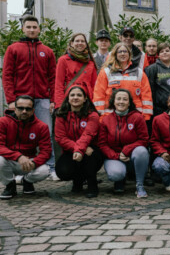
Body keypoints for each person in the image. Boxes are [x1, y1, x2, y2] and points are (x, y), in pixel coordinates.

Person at [2, 15, 57, 180]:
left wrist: (53, 99)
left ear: (39, 29)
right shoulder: (13, 49)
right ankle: (18, 169)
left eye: (35, 27)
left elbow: (53, 78)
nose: (32, 30)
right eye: (29, 27)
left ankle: (51, 167)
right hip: (21, 100)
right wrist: (11, 100)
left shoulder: (47, 51)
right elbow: (7, 75)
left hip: (42, 99)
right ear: (23, 29)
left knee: (47, 132)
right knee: (18, 133)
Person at [98, 89, 150, 198]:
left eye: (125, 99)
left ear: (129, 103)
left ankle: (139, 185)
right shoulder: (106, 120)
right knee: (116, 174)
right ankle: (119, 180)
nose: (121, 102)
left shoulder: (138, 117)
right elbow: (102, 144)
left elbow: (144, 139)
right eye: (118, 99)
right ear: (113, 101)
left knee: (142, 151)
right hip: (114, 156)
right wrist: (117, 156)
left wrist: (127, 150)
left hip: (132, 155)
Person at [55, 84, 103, 198]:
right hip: (71, 150)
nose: (75, 97)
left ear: (85, 98)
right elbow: (60, 138)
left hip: (92, 150)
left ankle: (92, 183)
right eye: (72, 95)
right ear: (68, 98)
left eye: (79, 95)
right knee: (62, 171)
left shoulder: (93, 115)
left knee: (89, 154)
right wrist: (79, 149)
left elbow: (88, 134)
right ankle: (78, 180)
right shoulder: (61, 115)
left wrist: (81, 149)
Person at [0, 96, 51, 200]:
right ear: (15, 108)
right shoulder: (3, 122)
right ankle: (10, 185)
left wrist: (35, 163)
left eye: (28, 109)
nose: (24, 111)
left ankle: (27, 181)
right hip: (9, 160)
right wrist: (18, 156)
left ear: (33, 110)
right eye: (20, 108)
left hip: (29, 162)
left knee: (45, 171)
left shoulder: (42, 126)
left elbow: (46, 151)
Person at [93, 43, 153, 121]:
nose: (122, 54)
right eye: (120, 51)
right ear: (115, 54)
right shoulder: (106, 72)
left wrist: (146, 116)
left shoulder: (139, 73)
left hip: (135, 116)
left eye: (125, 51)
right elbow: (98, 96)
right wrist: (101, 117)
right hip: (110, 116)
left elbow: (146, 96)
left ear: (129, 54)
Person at [55, 33, 98, 108]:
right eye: (77, 41)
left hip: (86, 101)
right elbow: (59, 84)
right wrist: (59, 105)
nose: (80, 43)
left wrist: (94, 104)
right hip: (69, 100)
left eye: (82, 41)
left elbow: (94, 86)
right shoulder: (63, 60)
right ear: (71, 43)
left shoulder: (90, 63)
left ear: (86, 44)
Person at [145, 43, 170, 117]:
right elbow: (150, 89)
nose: (164, 53)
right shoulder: (152, 68)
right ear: (158, 55)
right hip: (159, 108)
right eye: (162, 51)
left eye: (167, 51)